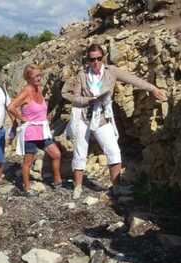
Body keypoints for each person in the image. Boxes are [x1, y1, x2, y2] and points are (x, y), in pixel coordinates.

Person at [61, 44, 167, 199]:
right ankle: (78, 187)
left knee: (113, 150)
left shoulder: (111, 71)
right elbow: (74, 98)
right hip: (83, 116)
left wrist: (152, 89)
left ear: (103, 58)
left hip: (102, 116)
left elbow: (133, 79)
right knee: (80, 151)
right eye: (92, 59)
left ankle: (117, 187)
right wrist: (88, 100)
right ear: (88, 60)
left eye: (98, 58)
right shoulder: (82, 75)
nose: (96, 62)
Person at [7, 64, 62, 196]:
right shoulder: (26, 91)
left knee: (56, 154)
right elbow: (11, 107)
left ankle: (57, 181)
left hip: (42, 130)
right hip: (31, 132)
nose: (39, 78)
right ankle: (26, 188)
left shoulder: (38, 89)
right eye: (36, 76)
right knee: (28, 162)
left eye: (40, 75)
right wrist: (21, 117)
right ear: (28, 77)